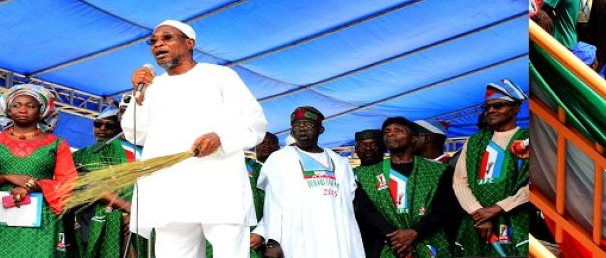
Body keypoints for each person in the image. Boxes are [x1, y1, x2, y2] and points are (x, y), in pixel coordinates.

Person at [122, 19, 268, 257]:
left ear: (189, 43)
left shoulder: (220, 76)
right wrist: (138, 96)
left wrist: (220, 137)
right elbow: (135, 133)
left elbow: (255, 122)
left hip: (218, 187)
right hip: (169, 190)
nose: (158, 45)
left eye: (167, 38)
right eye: (153, 41)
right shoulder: (153, 87)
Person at [255, 106, 365, 258]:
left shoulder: (340, 162)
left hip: (337, 237)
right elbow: (272, 203)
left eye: (307, 125)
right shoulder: (279, 159)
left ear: (321, 130)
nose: (301, 129)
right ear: (292, 132)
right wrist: (272, 240)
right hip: (297, 238)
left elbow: (349, 201)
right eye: (296, 126)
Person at [0, 84, 77, 257]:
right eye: (16, 105)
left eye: (30, 106)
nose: (23, 110)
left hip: (40, 219)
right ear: (7, 110)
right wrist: (8, 177)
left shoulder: (57, 143)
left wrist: (31, 185)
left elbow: (68, 183)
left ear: (42, 111)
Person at [354, 116, 459, 258]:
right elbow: (365, 210)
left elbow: (446, 208)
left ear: (414, 139)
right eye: (387, 131)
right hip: (386, 245)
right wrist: (395, 238)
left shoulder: (438, 171)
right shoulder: (366, 174)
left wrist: (415, 232)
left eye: (399, 130)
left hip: (430, 243)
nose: (391, 133)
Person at [453, 79, 529, 257]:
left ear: (516, 109)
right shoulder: (474, 142)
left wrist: (499, 208)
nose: (491, 111)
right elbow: (459, 181)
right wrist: (477, 212)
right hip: (476, 222)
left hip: (515, 220)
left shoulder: (527, 139)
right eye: (487, 107)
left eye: (498, 105)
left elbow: (534, 184)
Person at [71, 105, 144, 258]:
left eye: (109, 125)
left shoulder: (143, 152)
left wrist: (134, 212)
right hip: (98, 218)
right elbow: (90, 185)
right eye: (98, 124)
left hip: (137, 220)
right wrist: (130, 209)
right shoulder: (85, 154)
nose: (102, 129)